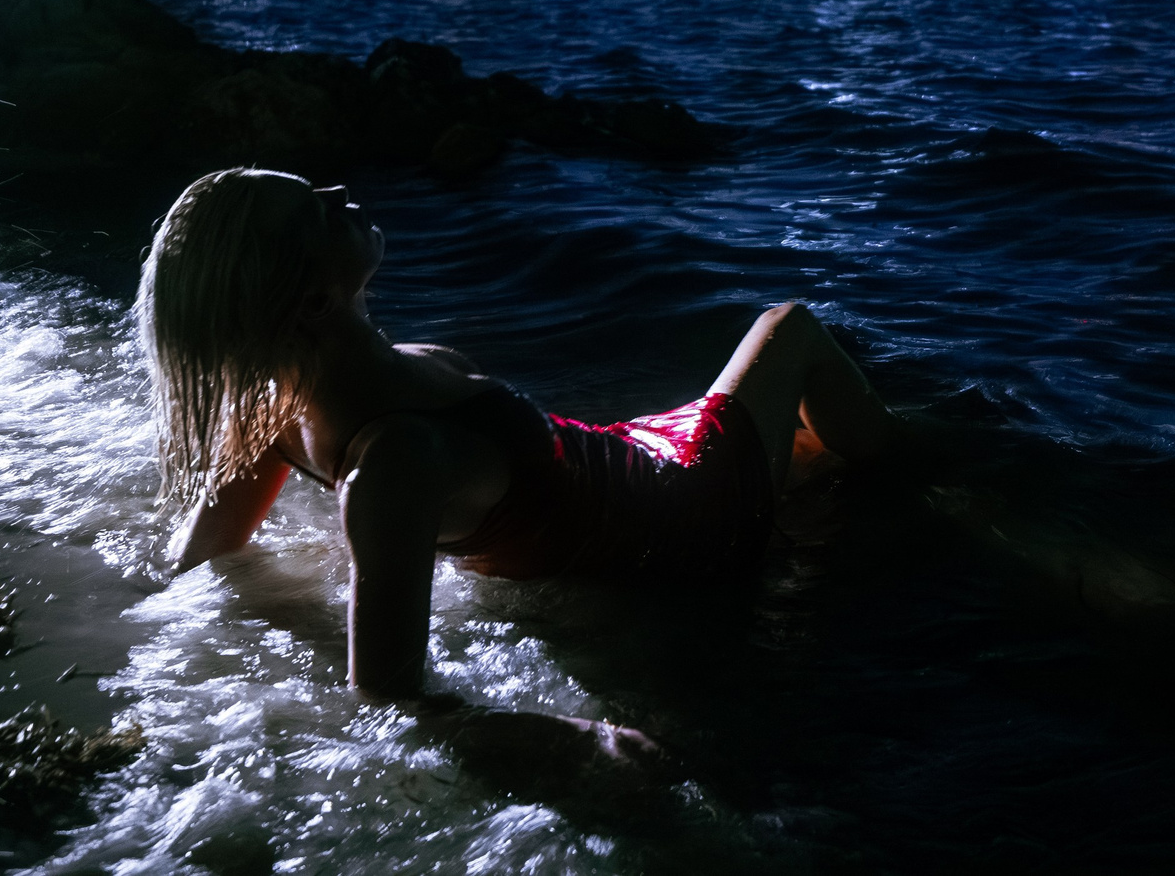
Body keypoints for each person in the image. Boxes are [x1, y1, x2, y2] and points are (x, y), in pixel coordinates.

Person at [141, 167, 898, 699]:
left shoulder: (273, 416)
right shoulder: (397, 460)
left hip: (623, 466)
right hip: (688, 516)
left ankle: (830, 465)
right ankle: (921, 467)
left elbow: (201, 553)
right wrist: (559, 741)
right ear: (309, 301)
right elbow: (388, 691)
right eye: (315, 212)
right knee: (790, 326)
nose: (338, 193)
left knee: (803, 449)